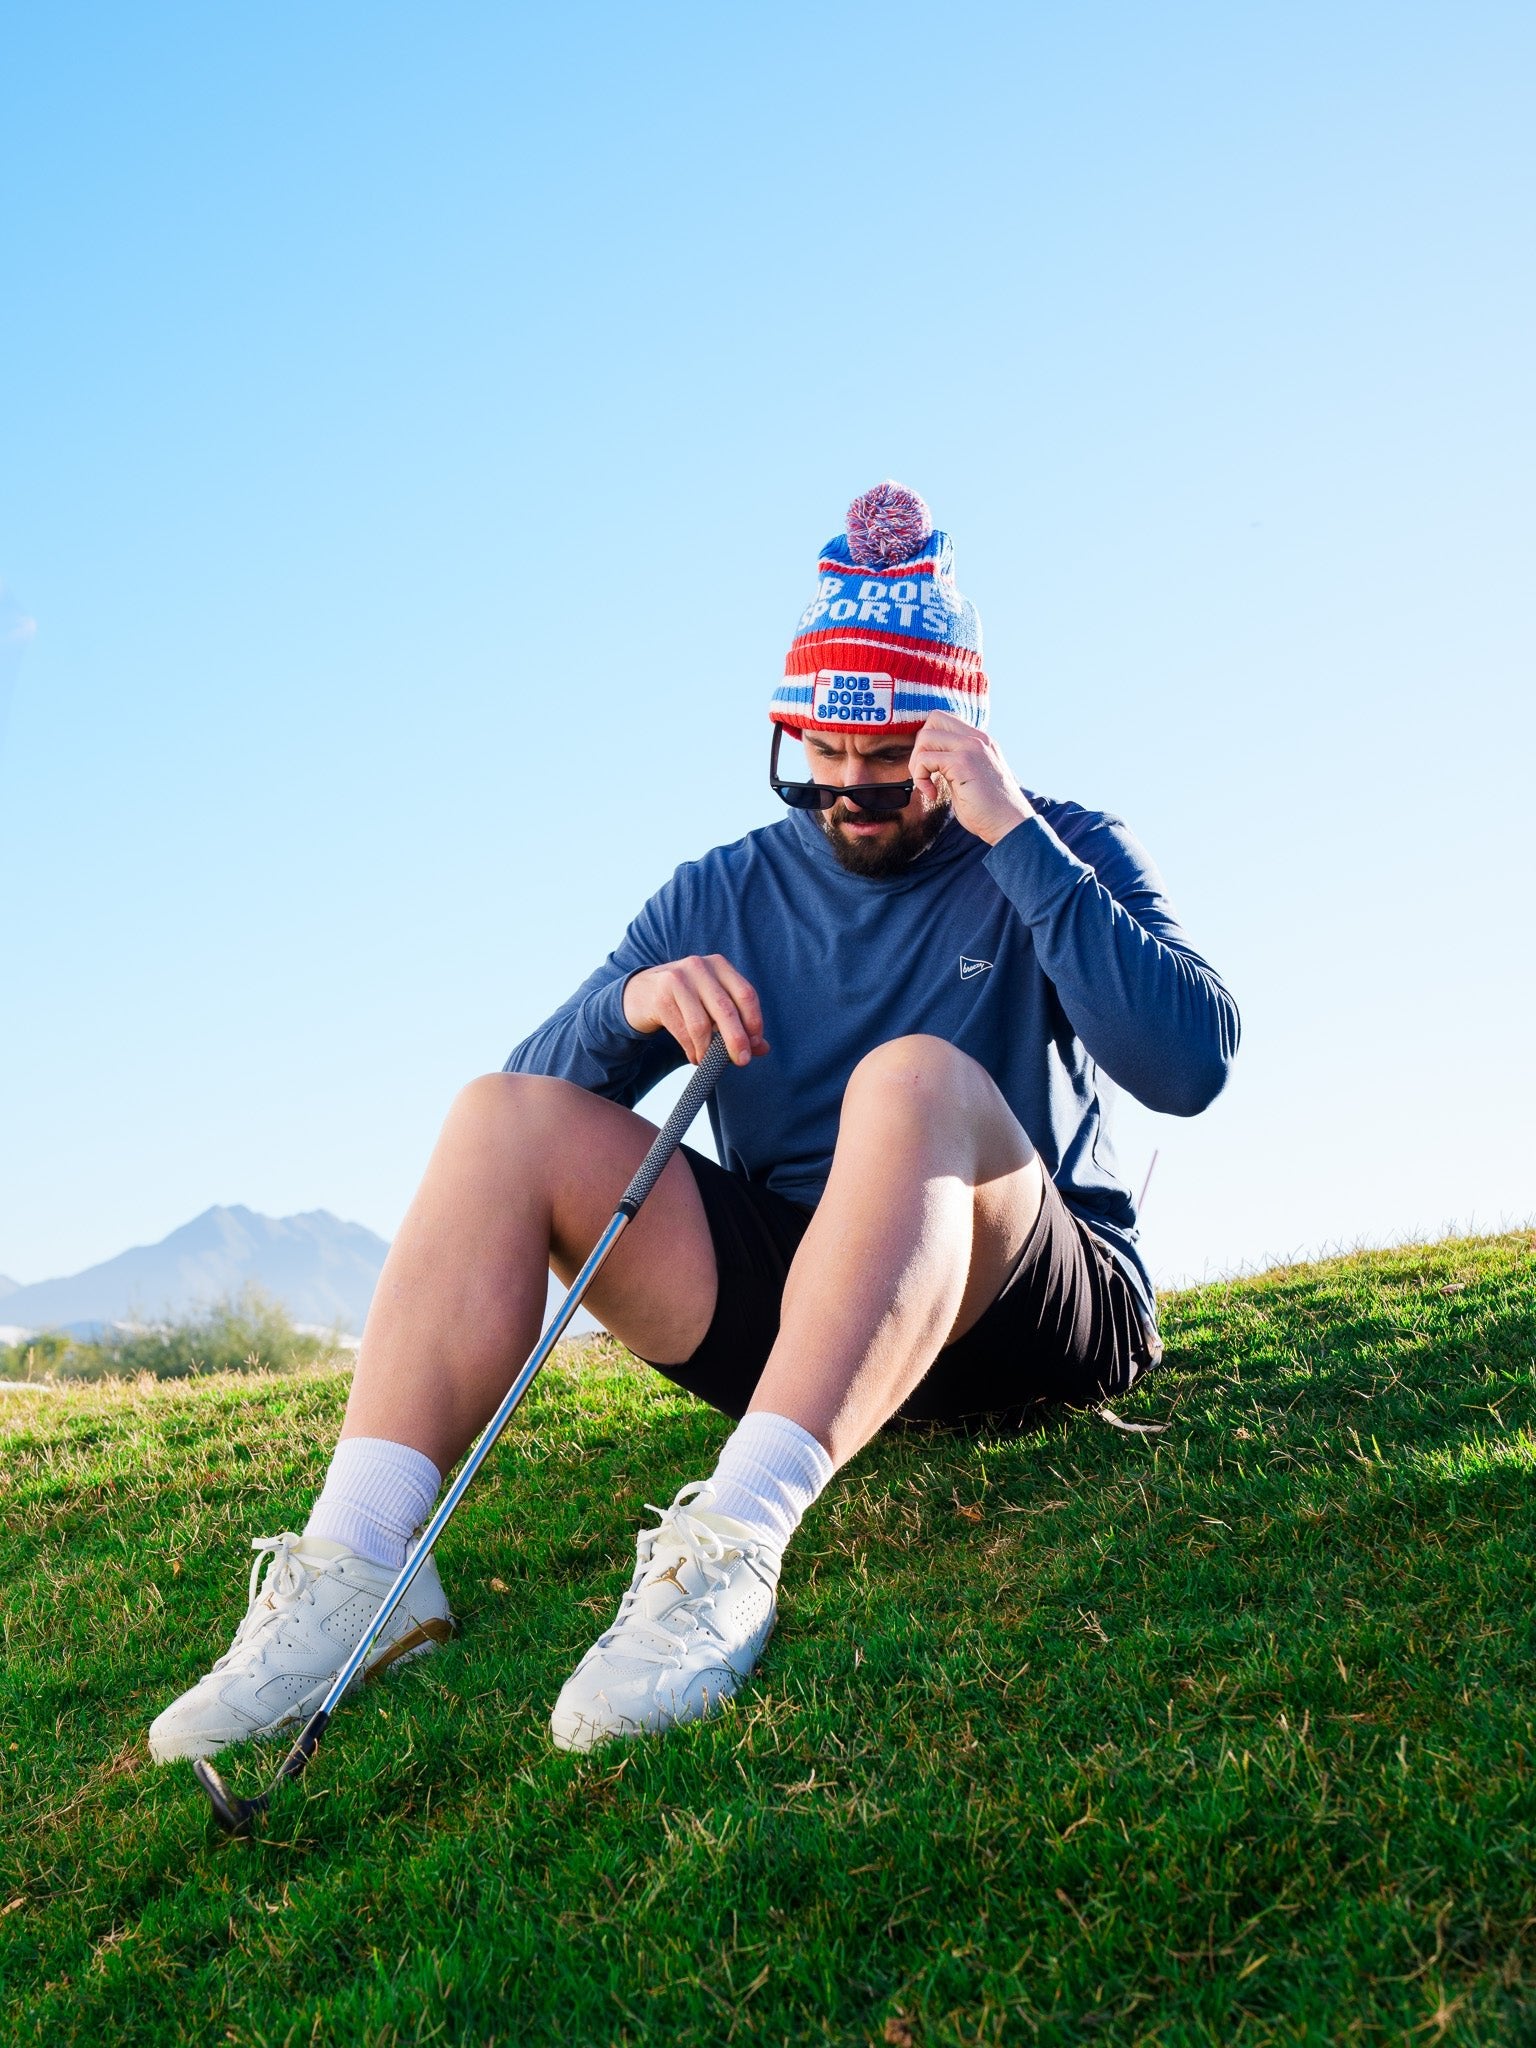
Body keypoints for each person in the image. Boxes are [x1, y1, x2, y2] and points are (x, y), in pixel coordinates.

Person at [148, 481, 1239, 1763]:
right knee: (493, 1112)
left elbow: (1190, 1063)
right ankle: (362, 1564)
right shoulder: (720, 887)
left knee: (907, 1078)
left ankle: (732, 1547)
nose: (851, 791)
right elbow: (522, 1125)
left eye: (890, 760)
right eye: (823, 755)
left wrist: (1015, 832)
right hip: (802, 1326)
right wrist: (632, 1009)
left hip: (1029, 1311)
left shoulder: (1059, 842)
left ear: (962, 741)